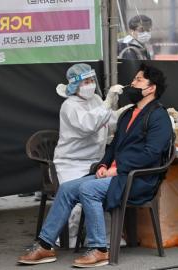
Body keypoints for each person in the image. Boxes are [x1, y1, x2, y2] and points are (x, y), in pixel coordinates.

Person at [17, 64, 173, 268]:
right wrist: (103, 164)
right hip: (108, 171)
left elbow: (151, 154)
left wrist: (118, 168)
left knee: (87, 189)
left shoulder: (158, 116)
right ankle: (45, 244)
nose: (132, 83)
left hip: (136, 178)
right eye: (133, 79)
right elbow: (113, 145)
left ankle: (100, 249)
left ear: (151, 88)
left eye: (138, 80)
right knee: (66, 189)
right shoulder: (128, 114)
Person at [53, 63, 129, 248]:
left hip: (96, 161)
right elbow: (88, 125)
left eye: (91, 80)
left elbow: (106, 120)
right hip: (71, 163)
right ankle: (69, 240)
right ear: (74, 85)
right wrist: (108, 101)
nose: (90, 85)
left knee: (102, 196)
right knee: (76, 204)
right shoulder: (69, 106)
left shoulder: (95, 99)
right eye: (85, 81)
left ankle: (101, 238)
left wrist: (120, 115)